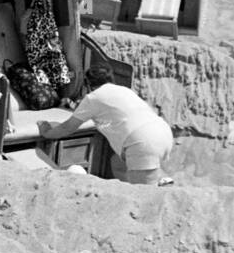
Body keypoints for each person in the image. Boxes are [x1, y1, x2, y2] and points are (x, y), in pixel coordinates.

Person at [38, 68, 174, 185]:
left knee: (144, 195)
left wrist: (47, 132)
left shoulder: (93, 97)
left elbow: (67, 127)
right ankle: (160, 179)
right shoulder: (123, 90)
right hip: (162, 131)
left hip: (142, 142)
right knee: (117, 164)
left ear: (89, 85)